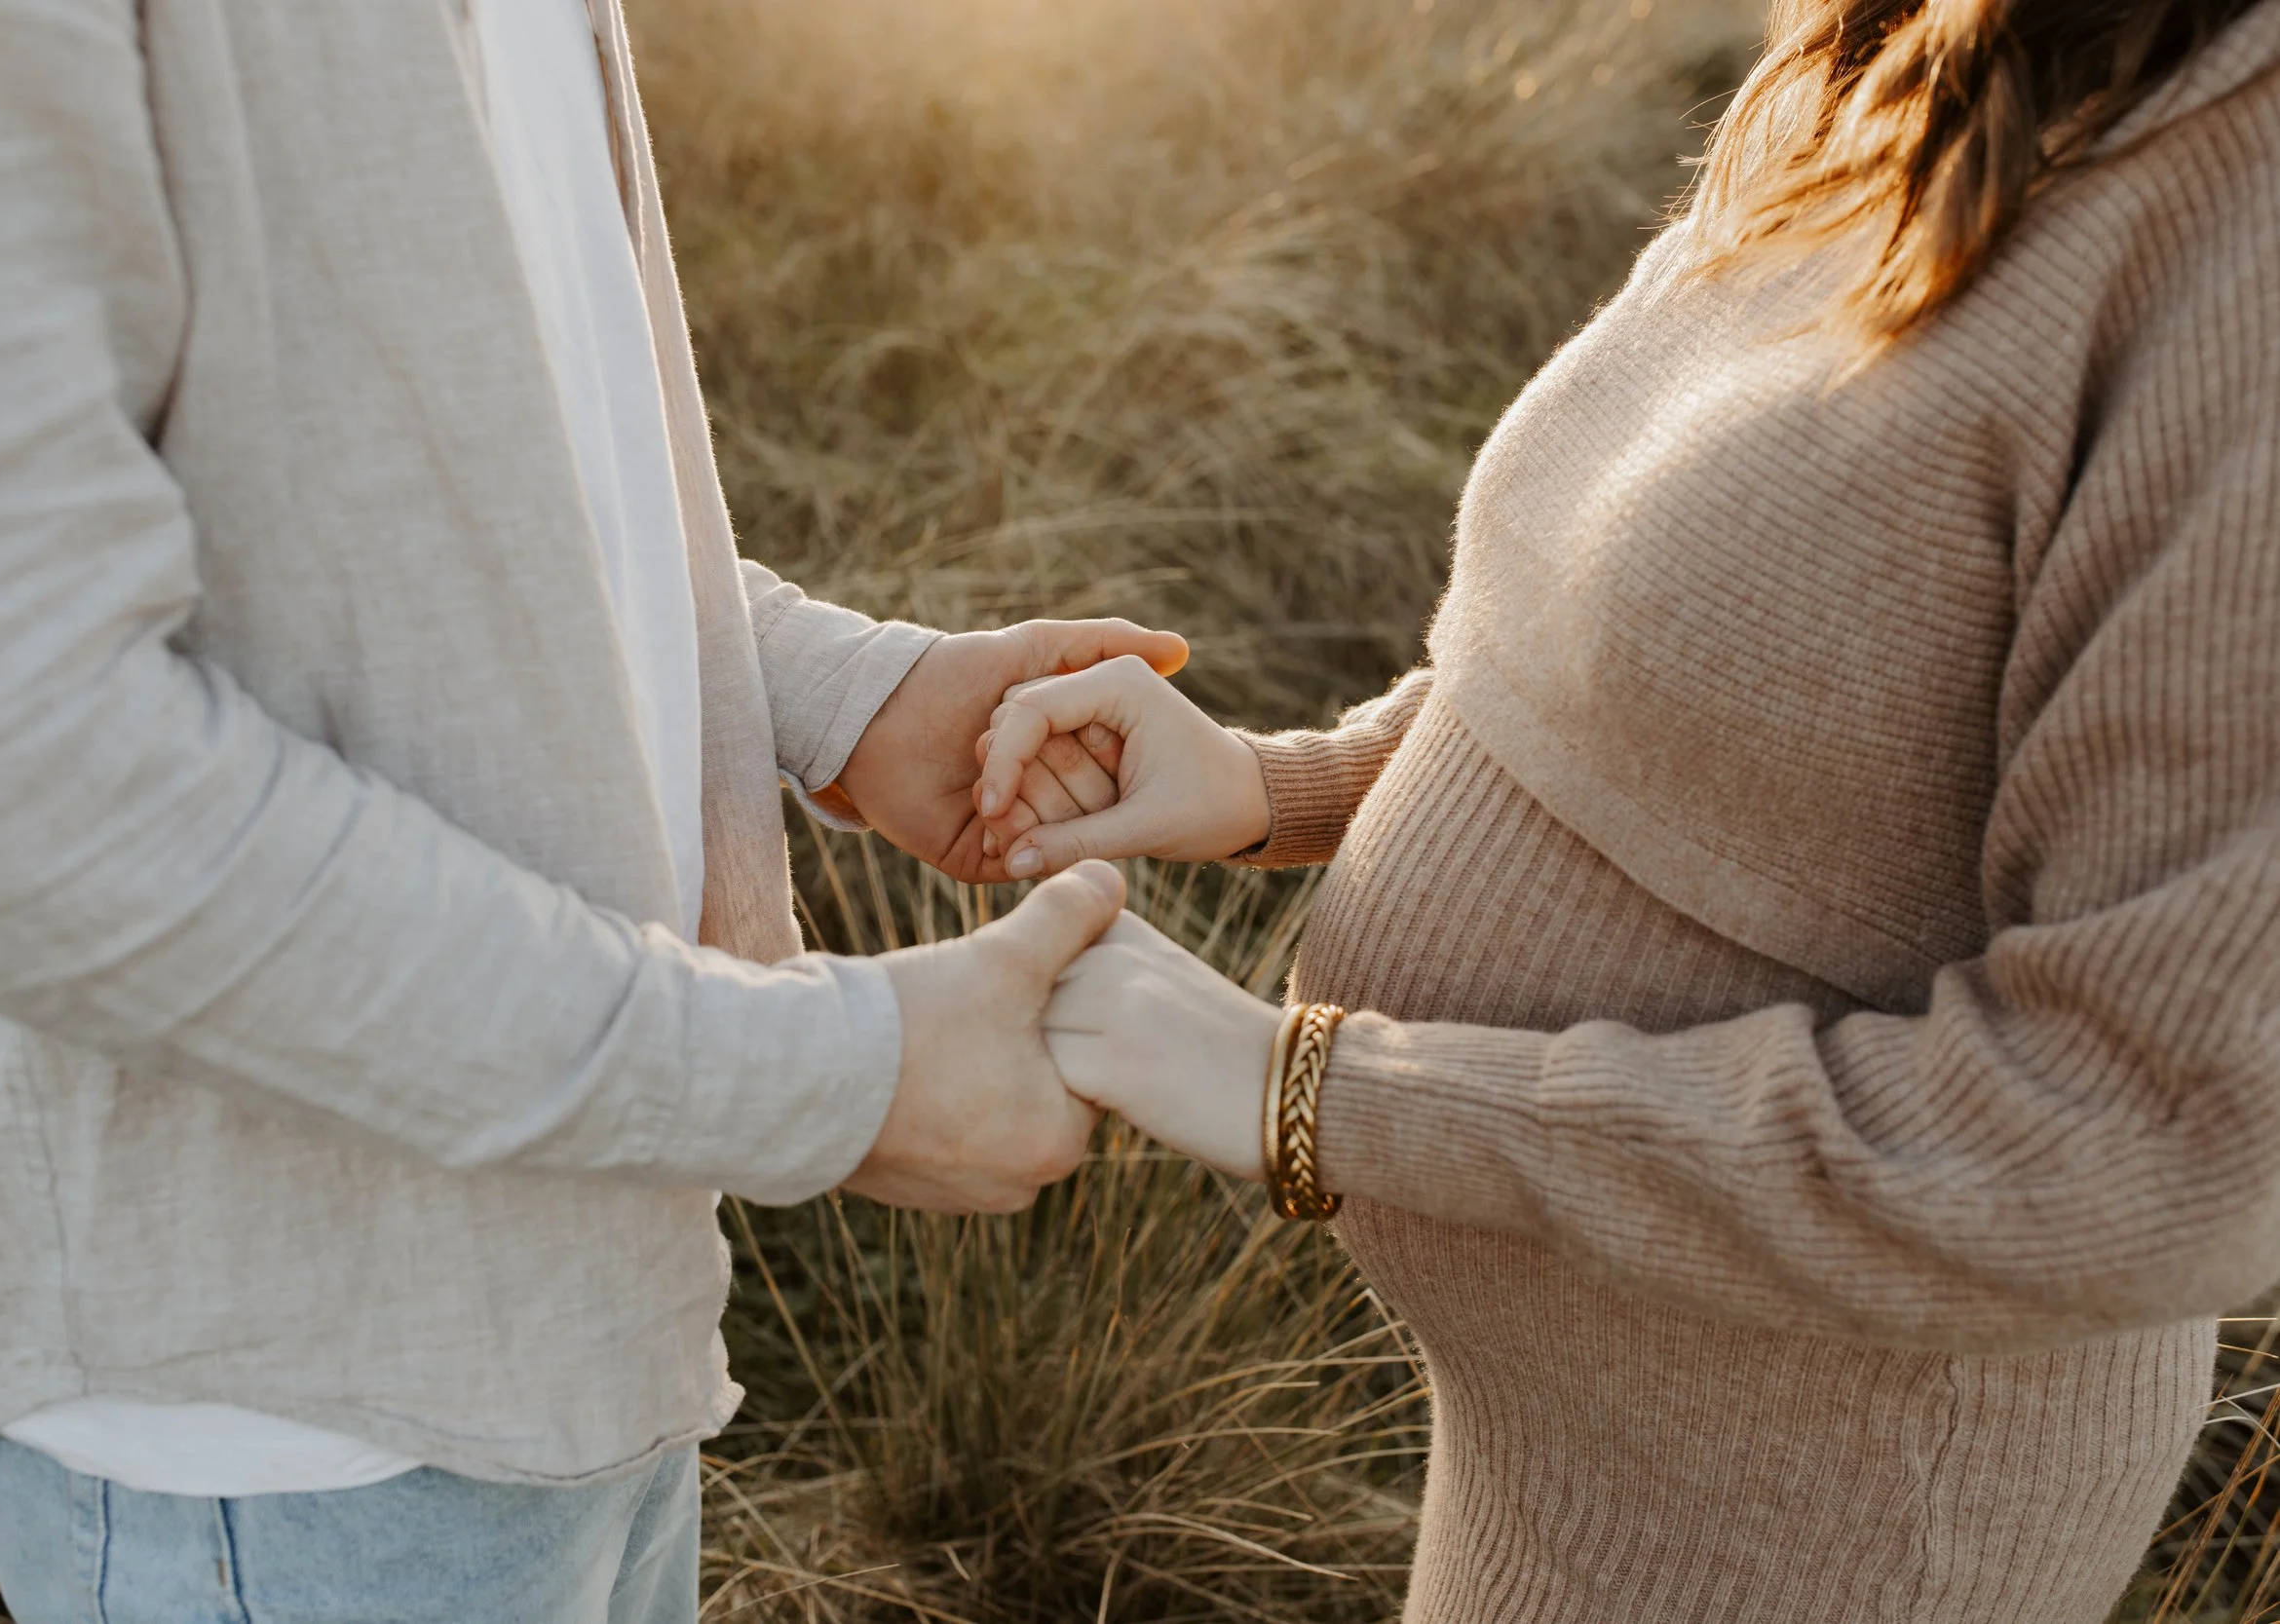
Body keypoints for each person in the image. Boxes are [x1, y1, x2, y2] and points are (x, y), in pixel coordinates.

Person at [0, 0, 1166, 1617]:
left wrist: (840, 695)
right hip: (282, 1429)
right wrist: (824, 1075)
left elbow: (464, 466)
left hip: (590, 1310)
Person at [975, 1, 2280, 1618]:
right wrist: (1278, 783)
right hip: (1587, 1463)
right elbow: (1716, 662)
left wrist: (1319, 1092)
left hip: (1831, 1509)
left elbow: (2151, 1139)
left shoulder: (2246, 250)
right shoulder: (1915, 47)